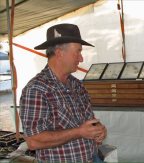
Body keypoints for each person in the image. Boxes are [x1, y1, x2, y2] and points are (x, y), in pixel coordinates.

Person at [19, 23, 107, 163]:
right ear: (59, 53)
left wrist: (98, 130)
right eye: (77, 52)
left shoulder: (77, 85)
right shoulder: (36, 89)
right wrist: (79, 132)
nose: (81, 58)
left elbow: (88, 123)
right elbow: (33, 141)